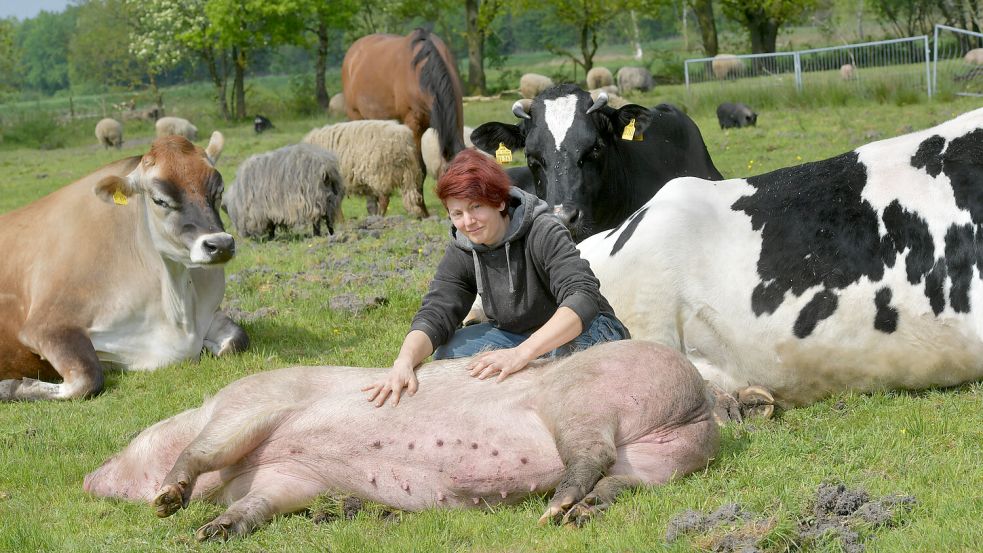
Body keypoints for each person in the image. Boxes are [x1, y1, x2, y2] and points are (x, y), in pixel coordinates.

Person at [363, 149, 630, 407]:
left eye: (476, 207)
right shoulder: (463, 247)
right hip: (515, 334)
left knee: (562, 371)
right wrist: (404, 361)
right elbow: (436, 312)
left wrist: (521, 354)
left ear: (500, 201)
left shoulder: (543, 229)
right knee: (448, 355)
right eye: (457, 213)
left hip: (586, 331)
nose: (468, 222)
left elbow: (582, 297)